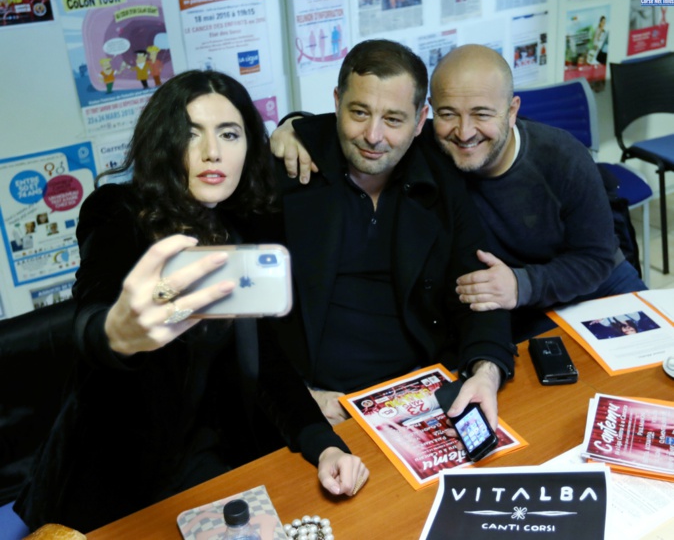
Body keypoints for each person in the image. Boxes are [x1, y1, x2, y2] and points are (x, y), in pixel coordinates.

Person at [14, 70, 368, 534]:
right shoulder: (119, 211)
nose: (212, 151)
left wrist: (325, 445)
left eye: (229, 134)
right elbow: (95, 312)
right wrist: (117, 333)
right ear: (164, 142)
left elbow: (267, 360)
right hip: (119, 478)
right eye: (191, 133)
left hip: (214, 462)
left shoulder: (238, 225)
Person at [272, 44, 647, 344]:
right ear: (428, 116)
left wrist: (522, 284)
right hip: (510, 307)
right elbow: (370, 120)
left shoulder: (563, 157)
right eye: (449, 113)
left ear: (511, 111)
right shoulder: (430, 145)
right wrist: (295, 129)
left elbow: (597, 258)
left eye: (482, 114)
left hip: (595, 286)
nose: (465, 132)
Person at [266, 40, 516, 431]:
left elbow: (478, 292)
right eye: (359, 112)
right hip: (318, 406)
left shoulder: (441, 175)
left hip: (418, 395)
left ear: (420, 121)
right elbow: (244, 325)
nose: (373, 135)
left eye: (394, 120)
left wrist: (486, 371)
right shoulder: (288, 171)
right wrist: (296, 398)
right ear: (337, 102)